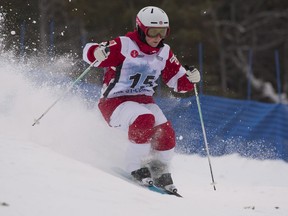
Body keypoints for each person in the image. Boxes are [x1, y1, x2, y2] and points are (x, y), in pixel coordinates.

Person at [83, 6, 200, 192]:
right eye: (153, 32)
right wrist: (96, 52)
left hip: (144, 102)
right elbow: (90, 52)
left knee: (166, 131)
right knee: (145, 119)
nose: (157, 37)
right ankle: (134, 166)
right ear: (140, 29)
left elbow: (177, 82)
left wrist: (190, 79)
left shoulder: (164, 52)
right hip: (114, 103)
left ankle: (159, 169)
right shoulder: (124, 45)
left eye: (163, 32)